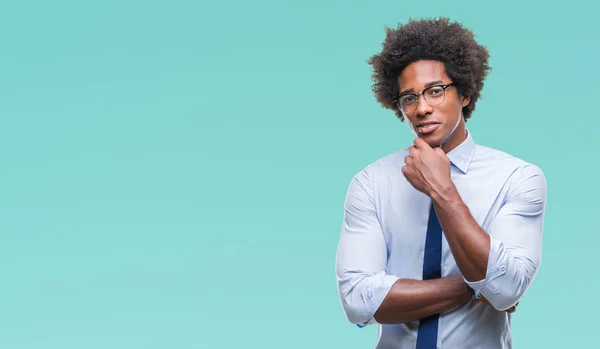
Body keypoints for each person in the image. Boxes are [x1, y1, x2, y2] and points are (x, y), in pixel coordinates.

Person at [334, 17, 547, 349]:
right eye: (408, 98)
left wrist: (441, 188)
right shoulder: (371, 183)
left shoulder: (517, 179)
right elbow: (358, 300)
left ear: (464, 93)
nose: (421, 108)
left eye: (435, 91)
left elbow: (506, 289)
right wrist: (475, 287)